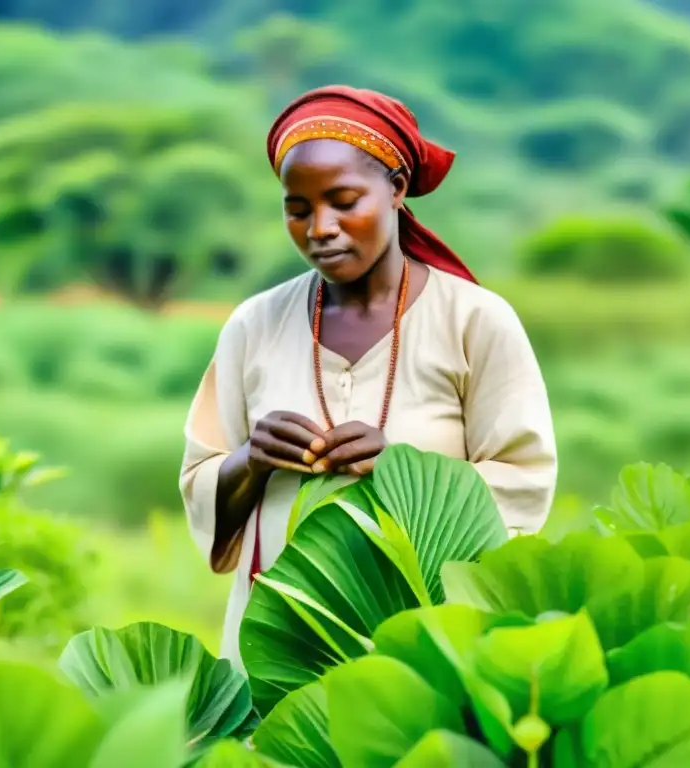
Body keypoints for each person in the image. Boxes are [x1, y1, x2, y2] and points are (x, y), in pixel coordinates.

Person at [179, 85, 557, 669]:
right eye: (297, 209)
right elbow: (203, 481)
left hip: (426, 642)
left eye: (344, 200)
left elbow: (525, 482)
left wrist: (404, 472)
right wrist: (252, 458)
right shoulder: (254, 324)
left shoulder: (475, 319)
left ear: (397, 190)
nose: (320, 228)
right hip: (279, 649)